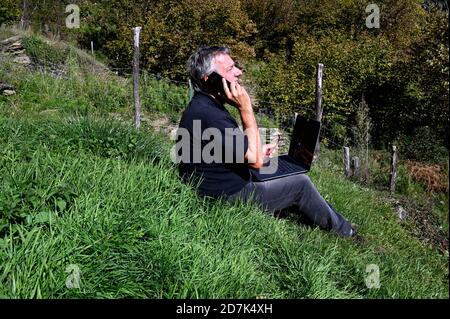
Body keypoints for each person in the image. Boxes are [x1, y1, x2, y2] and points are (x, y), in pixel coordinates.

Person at [176, 46, 355, 238]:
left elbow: (221, 149)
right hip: (224, 196)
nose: (239, 72)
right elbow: (254, 161)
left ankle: (330, 217)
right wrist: (246, 109)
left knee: (277, 169)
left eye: (235, 66)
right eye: (230, 69)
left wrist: (257, 151)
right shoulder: (211, 114)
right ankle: (346, 232)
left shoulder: (203, 105)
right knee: (300, 183)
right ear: (209, 79)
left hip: (214, 184)